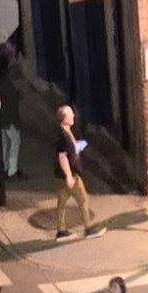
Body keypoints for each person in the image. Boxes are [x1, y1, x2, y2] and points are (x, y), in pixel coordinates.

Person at [50, 99, 90, 238]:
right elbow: (63, 157)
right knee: (83, 200)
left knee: (61, 203)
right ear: (64, 118)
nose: (73, 116)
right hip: (71, 174)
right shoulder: (63, 136)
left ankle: (61, 231)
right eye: (70, 114)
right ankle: (88, 229)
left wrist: (77, 146)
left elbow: (67, 151)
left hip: (61, 175)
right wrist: (69, 176)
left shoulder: (66, 132)